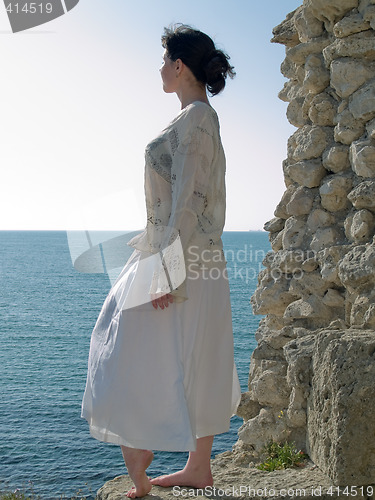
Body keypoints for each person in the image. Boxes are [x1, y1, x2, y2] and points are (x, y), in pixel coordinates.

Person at [80, 24, 241, 498]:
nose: (159, 69)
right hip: (182, 253)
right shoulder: (195, 118)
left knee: (135, 345)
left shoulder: (196, 120)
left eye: (164, 60)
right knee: (185, 350)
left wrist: (168, 272)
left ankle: (162, 455)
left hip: (182, 257)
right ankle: (193, 464)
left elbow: (189, 200)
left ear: (178, 66)